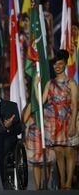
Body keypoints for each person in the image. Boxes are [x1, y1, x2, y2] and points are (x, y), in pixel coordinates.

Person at [35, 49, 78, 190]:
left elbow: (75, 104)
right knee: (59, 151)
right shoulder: (50, 83)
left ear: (65, 64)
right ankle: (62, 181)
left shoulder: (71, 83)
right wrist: (36, 86)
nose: (57, 66)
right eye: (55, 64)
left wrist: (73, 125)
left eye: (60, 64)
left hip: (68, 120)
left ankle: (68, 183)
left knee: (70, 152)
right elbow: (41, 102)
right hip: (53, 122)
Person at [23, 102, 55, 190]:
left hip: (46, 136)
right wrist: (31, 106)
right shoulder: (31, 105)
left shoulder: (49, 105)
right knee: (36, 164)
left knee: (46, 163)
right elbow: (24, 121)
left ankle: (45, 187)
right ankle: (38, 189)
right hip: (34, 138)